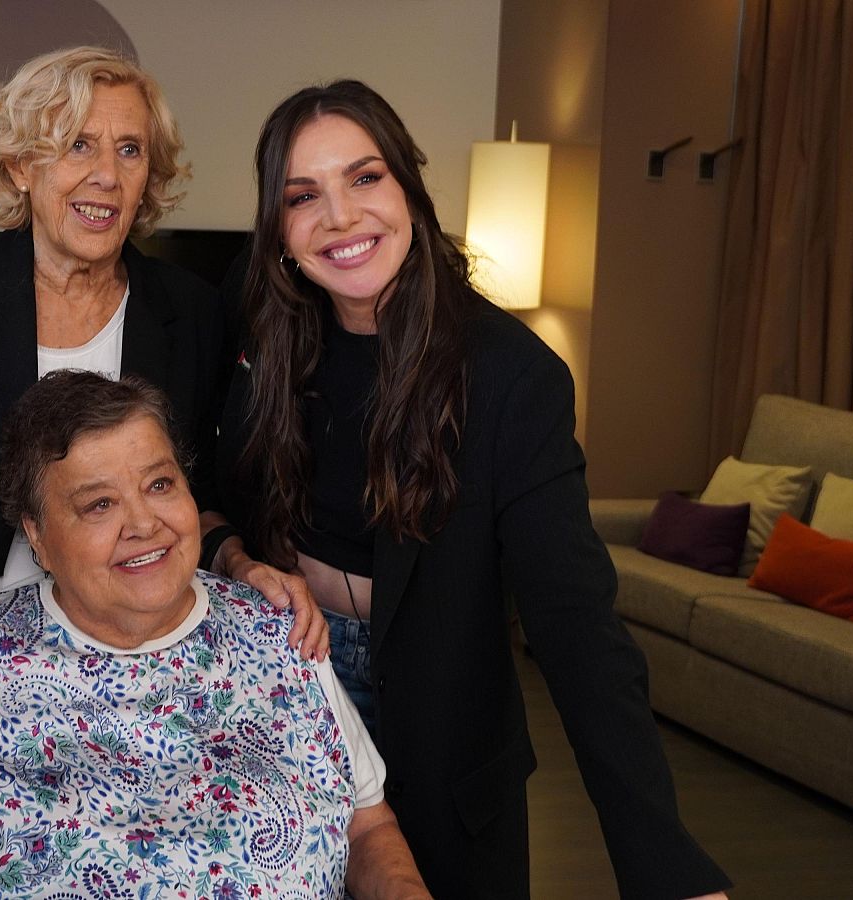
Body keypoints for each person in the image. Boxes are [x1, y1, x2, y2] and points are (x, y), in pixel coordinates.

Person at [210, 80, 732, 898]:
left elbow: (577, 629)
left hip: (445, 730)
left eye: (365, 178)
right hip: (284, 706)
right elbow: (208, 501)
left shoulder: (511, 377)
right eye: (302, 196)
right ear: (279, 234)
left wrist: (665, 865)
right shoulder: (261, 335)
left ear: (412, 191)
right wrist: (238, 560)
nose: (340, 217)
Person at [0, 47, 327, 892]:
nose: (105, 174)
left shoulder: (188, 313)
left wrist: (244, 562)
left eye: (129, 150)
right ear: (21, 164)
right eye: (75, 145)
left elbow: (196, 498)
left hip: (121, 703)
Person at [0, 370, 429, 898]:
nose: (144, 523)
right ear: (38, 535)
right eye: (99, 504)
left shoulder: (281, 630)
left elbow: (369, 825)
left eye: (159, 485)